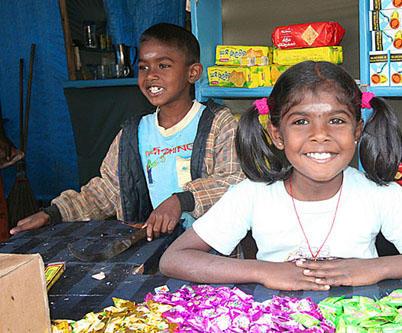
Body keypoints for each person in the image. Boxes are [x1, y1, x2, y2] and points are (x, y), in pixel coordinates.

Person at [160, 61, 402, 291]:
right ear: (277, 133)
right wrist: (263, 271)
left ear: (357, 130)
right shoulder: (252, 194)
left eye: (337, 121)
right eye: (301, 122)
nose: (320, 136)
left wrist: (377, 268)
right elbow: (174, 259)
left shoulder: (378, 194)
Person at [10, 23, 245, 242]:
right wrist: (54, 213)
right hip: (156, 245)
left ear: (192, 73)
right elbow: (107, 190)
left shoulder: (217, 122)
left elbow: (233, 181)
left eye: (163, 65)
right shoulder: (133, 134)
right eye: (143, 66)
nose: (151, 75)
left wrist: (182, 201)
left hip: (211, 244)